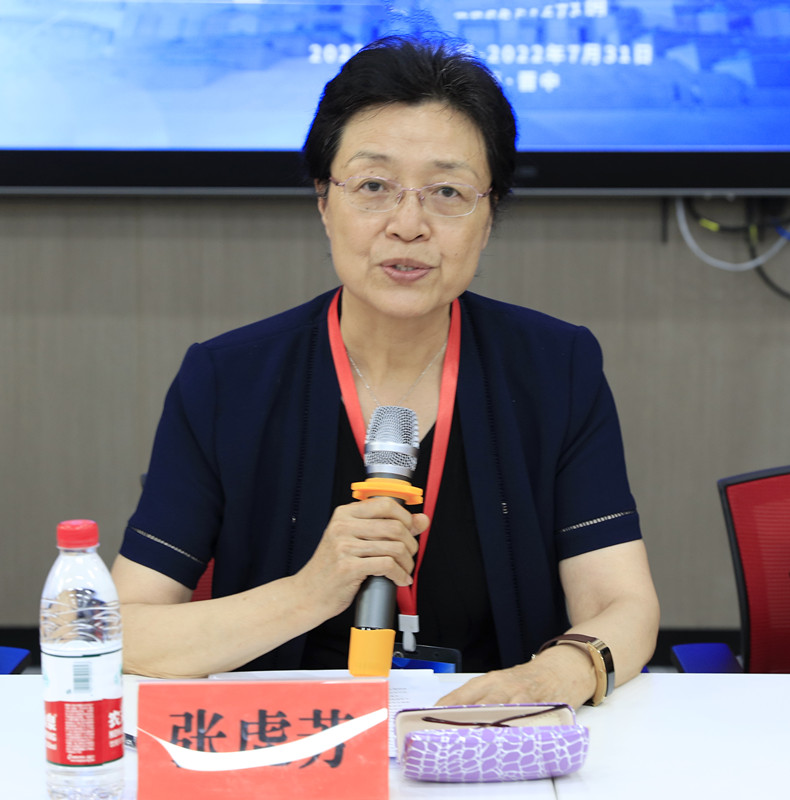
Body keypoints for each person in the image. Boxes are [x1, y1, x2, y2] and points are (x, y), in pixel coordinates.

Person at [111, 34, 659, 709]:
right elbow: (123, 633)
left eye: (447, 191)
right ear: (323, 200)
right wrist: (309, 592)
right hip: (292, 738)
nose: (408, 224)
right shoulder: (227, 380)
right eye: (374, 186)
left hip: (489, 732)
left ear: (489, 217)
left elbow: (622, 604)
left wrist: (552, 679)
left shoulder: (555, 368)